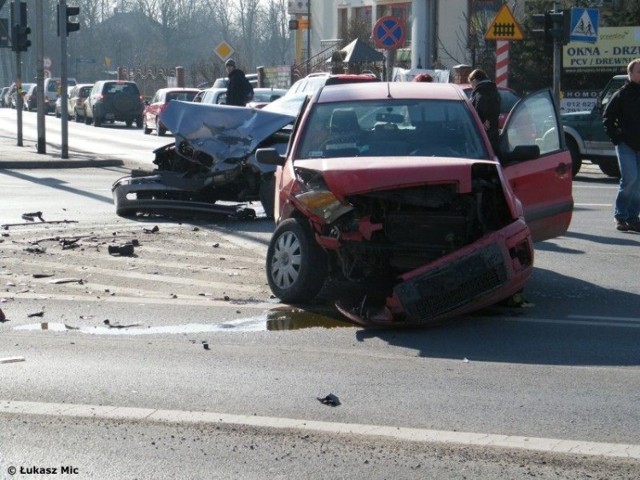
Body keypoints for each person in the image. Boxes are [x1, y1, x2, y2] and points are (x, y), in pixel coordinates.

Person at [603, 58, 640, 232]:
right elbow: (608, 118)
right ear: (630, 74)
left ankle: (633, 217)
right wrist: (617, 138)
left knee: (638, 183)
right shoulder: (622, 94)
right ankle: (621, 216)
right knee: (630, 178)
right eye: (639, 71)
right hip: (626, 145)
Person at [468, 68, 501, 153]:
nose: (471, 86)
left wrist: (482, 122)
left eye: (471, 83)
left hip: (482, 134)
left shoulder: (480, 92)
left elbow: (479, 110)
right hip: (493, 132)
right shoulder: (493, 90)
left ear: (475, 80)